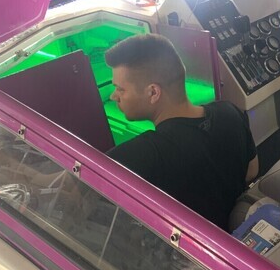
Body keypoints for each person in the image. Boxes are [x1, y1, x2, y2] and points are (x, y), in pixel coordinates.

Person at [104, 33, 258, 231]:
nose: (113, 96)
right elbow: (252, 171)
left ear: (153, 92)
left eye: (120, 89)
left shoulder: (141, 154)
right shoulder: (230, 111)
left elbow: (79, 190)